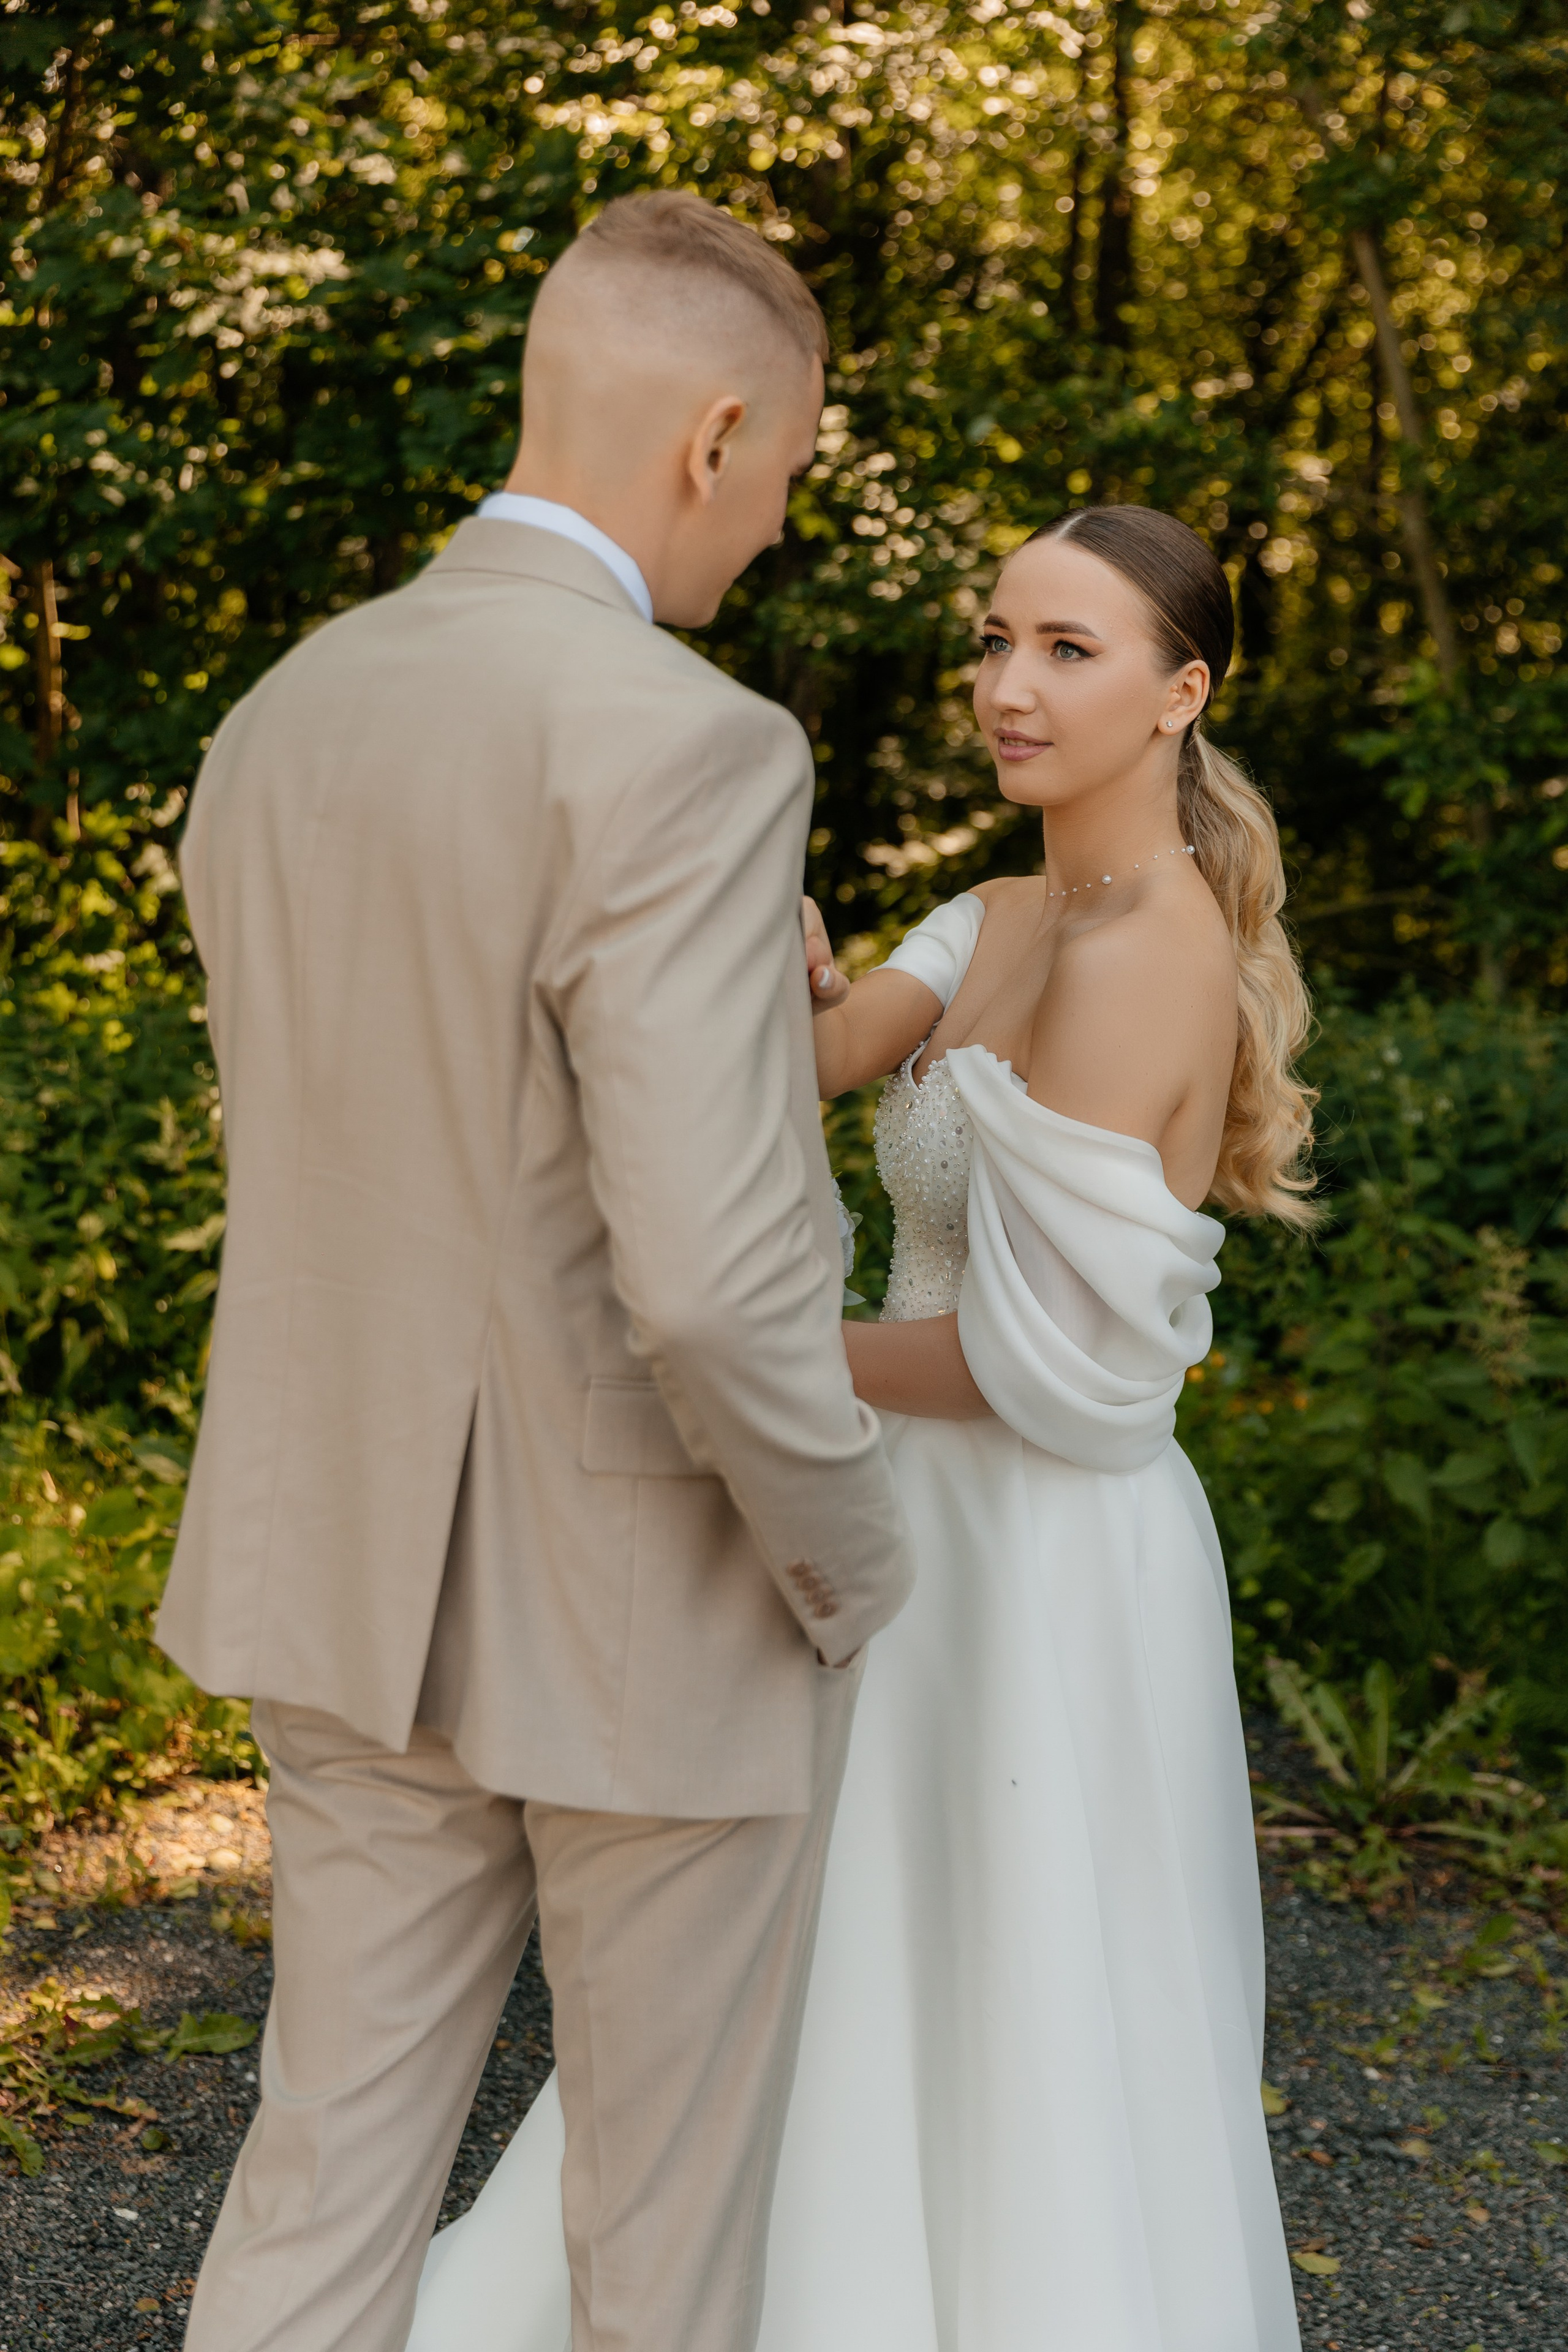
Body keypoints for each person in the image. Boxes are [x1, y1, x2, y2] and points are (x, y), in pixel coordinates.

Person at [408, 502, 1312, 2352]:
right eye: (995, 640)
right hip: (904, 1518)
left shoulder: (1154, 951)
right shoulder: (997, 916)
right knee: (835, 1952)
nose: (1009, 685)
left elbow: (1028, 1358)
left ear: (1181, 693)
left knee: (1009, 1978)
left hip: (1041, 1551)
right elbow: (818, 1056)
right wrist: (754, 940)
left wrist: (741, 1356)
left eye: (1068, 649)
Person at [156, 191, 913, 2352]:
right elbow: (712, 1277)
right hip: (647, 1592)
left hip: (338, 1560)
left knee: (323, 2178)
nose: (774, 527)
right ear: (716, 435)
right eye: (783, 476)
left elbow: (393, 1130)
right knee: (658, 2251)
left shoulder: (283, 713)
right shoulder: (693, 740)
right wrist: (851, 1549)